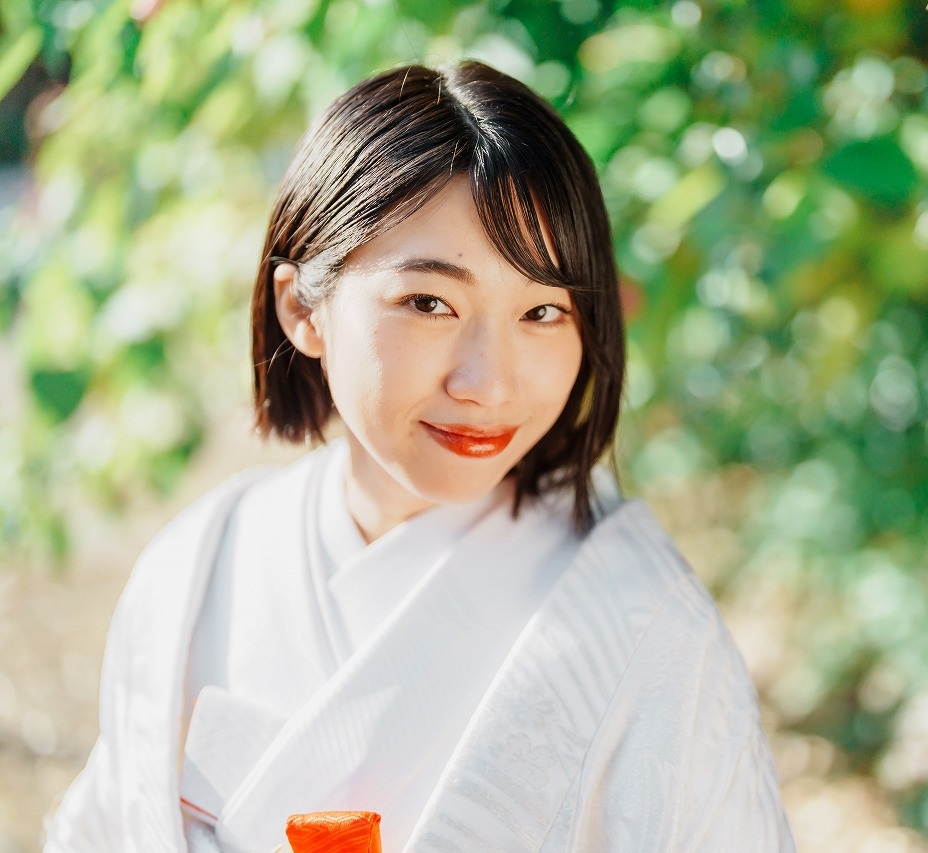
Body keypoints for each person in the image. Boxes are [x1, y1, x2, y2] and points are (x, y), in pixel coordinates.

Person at [44, 61, 795, 852]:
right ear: (302, 308)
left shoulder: (646, 623)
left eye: (543, 310)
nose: (489, 382)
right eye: (430, 302)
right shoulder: (196, 568)